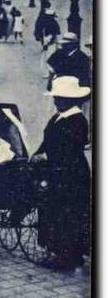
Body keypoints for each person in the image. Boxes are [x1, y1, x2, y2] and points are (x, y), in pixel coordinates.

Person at [31, 76, 91, 270]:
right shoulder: (59, 116)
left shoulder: (77, 121)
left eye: (59, 98)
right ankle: (63, 252)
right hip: (58, 173)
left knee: (67, 215)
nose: (55, 101)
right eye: (55, 97)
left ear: (71, 100)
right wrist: (38, 152)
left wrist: (45, 156)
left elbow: (70, 149)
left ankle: (66, 257)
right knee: (56, 212)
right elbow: (48, 140)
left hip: (70, 176)